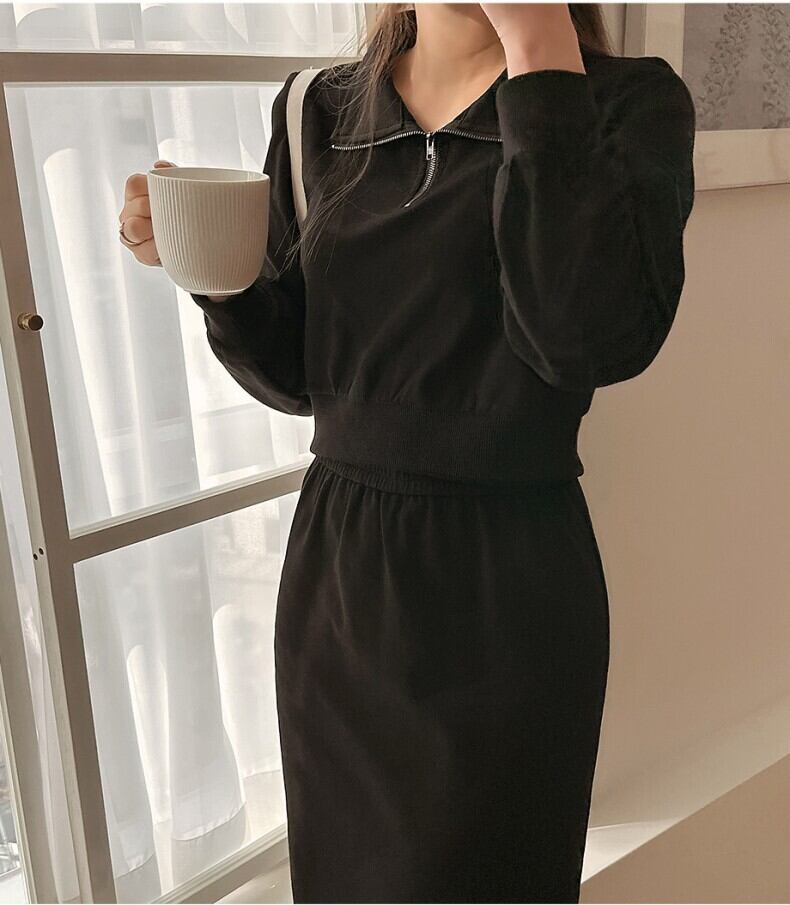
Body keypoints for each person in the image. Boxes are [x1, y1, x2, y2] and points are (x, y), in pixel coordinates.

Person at [119, 3, 696, 901]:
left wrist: (538, 43)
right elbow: (301, 376)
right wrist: (216, 277)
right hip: (340, 593)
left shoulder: (627, 102)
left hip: (511, 594)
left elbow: (581, 338)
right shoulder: (316, 108)